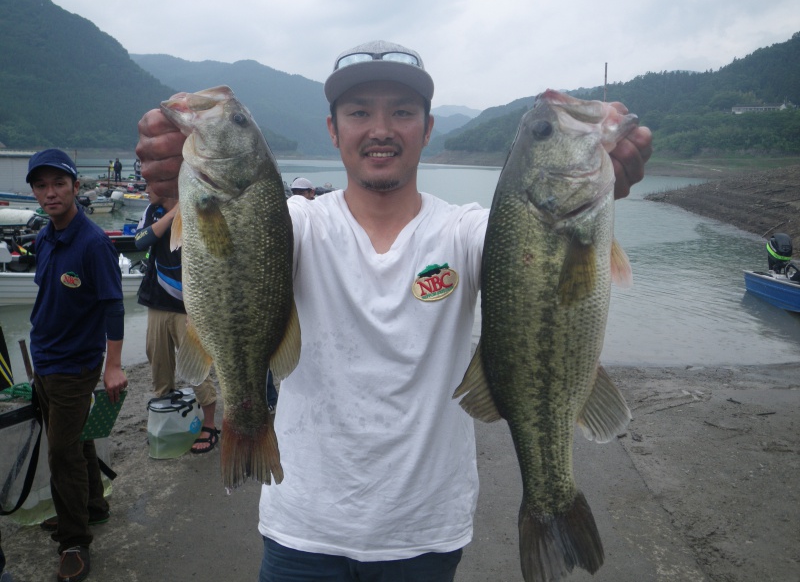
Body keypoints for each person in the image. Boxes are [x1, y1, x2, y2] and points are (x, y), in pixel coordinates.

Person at [135, 40, 652, 582]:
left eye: (402, 112)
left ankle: (549, 498)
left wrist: (600, 186)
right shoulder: (293, 225)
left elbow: (535, 256)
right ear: (333, 131)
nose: (380, 128)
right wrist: (176, 175)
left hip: (424, 535)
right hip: (303, 527)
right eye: (359, 112)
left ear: (427, 130)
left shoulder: (469, 232)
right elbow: (232, 244)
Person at [26, 148, 127, 582]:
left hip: (74, 364)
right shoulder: (46, 236)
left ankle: (74, 541)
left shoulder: (92, 243)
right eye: (41, 186)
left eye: (58, 184)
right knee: (76, 440)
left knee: (61, 454)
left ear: (75, 187)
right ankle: (92, 507)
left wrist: (114, 366)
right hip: (45, 358)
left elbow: (113, 307)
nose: (50, 193)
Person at [134, 184, 219, 453]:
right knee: (159, 361)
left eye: (150, 184)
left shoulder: (197, 210)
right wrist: (170, 216)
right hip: (157, 301)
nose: (146, 188)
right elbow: (140, 241)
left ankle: (210, 424)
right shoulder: (152, 211)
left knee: (196, 366)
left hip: (190, 307)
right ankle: (167, 415)